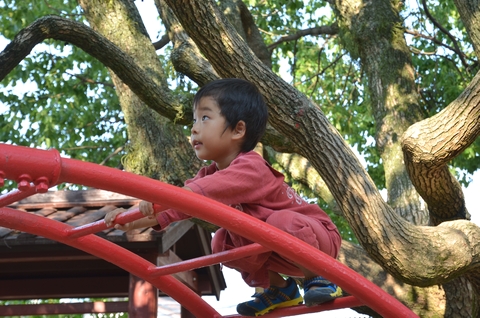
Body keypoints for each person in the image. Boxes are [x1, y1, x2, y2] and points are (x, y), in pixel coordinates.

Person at [104, 78, 343, 316]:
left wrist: (159, 198)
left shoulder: (251, 168)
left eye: (205, 118)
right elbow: (175, 209)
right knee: (221, 242)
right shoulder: (208, 175)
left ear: (238, 129)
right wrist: (129, 221)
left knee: (280, 224)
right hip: (279, 247)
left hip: (317, 239)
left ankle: (320, 278)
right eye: (194, 120)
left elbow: (184, 198)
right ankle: (280, 289)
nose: (194, 128)